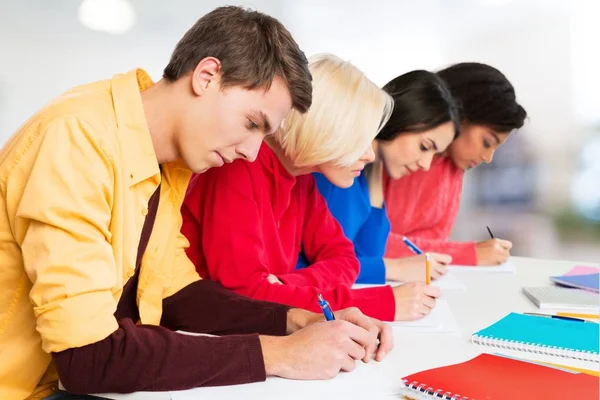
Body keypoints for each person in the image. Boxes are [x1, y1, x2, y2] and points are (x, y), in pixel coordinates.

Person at [0, 7, 392, 400]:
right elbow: (90, 358)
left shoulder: (164, 161)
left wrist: (295, 321)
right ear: (206, 76)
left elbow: (177, 294)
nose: (254, 154)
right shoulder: (78, 140)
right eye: (252, 123)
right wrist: (281, 354)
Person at [182, 54, 439, 323]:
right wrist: (368, 304)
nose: (370, 155)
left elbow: (346, 259)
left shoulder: (301, 179)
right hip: (199, 330)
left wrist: (284, 284)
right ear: (327, 126)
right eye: (359, 139)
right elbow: (245, 297)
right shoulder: (236, 168)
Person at [296, 70, 461, 284]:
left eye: (434, 154)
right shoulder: (336, 171)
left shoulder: (364, 175)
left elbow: (369, 254)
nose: (426, 164)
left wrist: (376, 174)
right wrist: (396, 267)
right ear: (400, 118)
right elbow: (321, 265)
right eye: (424, 147)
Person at [384, 62, 527, 266]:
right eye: (486, 142)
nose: (487, 157)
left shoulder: (453, 168)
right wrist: (467, 253)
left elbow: (434, 244)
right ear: (459, 116)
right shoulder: (407, 160)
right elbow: (372, 245)